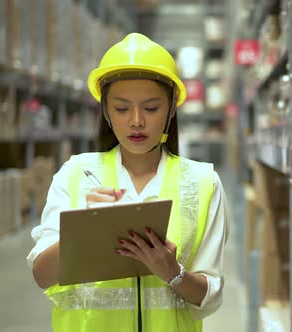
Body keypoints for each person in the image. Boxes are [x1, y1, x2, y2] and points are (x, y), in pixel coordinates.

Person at [26, 33, 229, 332]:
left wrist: (173, 273)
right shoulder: (76, 174)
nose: (136, 120)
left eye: (151, 108)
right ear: (107, 111)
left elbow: (210, 296)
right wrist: (81, 231)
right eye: (122, 108)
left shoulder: (202, 183)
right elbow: (42, 275)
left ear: (172, 109)